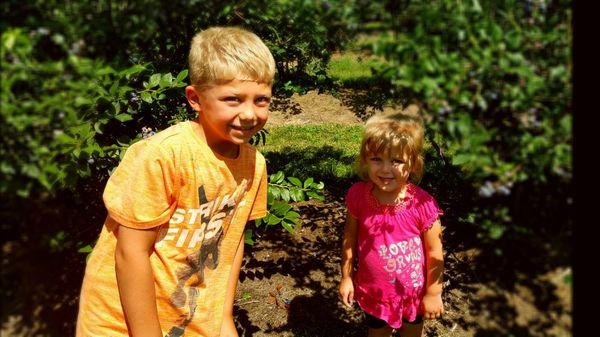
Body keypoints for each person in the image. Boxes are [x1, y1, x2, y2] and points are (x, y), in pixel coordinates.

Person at [76, 26, 275, 337]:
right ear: (195, 99)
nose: (249, 114)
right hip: (118, 322)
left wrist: (223, 318)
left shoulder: (255, 165)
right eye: (233, 99)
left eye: (261, 100)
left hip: (188, 320)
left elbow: (232, 242)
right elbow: (130, 253)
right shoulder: (163, 155)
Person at [338, 107, 445, 337]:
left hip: (413, 295)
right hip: (376, 293)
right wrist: (346, 277)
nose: (386, 169)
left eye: (396, 160)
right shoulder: (358, 196)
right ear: (365, 160)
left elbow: (435, 250)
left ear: (413, 164)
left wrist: (434, 293)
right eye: (377, 159)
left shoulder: (422, 204)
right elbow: (350, 238)